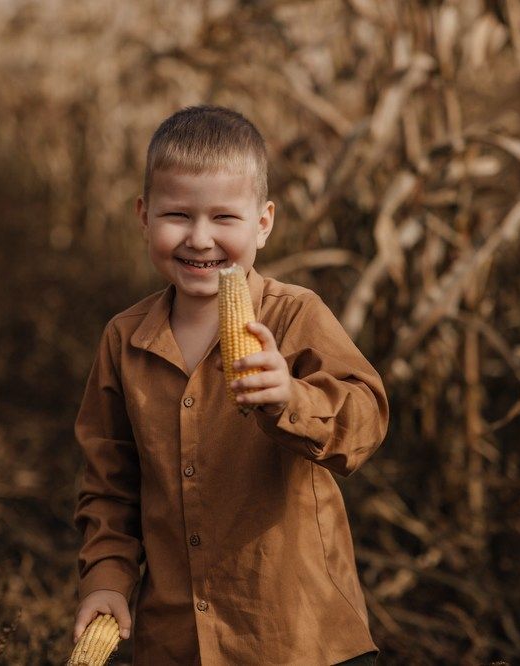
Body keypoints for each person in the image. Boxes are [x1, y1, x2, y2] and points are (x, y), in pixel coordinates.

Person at [71, 105, 389, 665]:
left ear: (263, 222)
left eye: (224, 217)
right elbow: (110, 482)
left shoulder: (295, 318)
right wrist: (107, 577)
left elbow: (363, 421)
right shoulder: (123, 341)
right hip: (178, 642)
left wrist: (293, 397)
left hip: (296, 633)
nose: (200, 239)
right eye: (177, 215)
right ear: (143, 216)